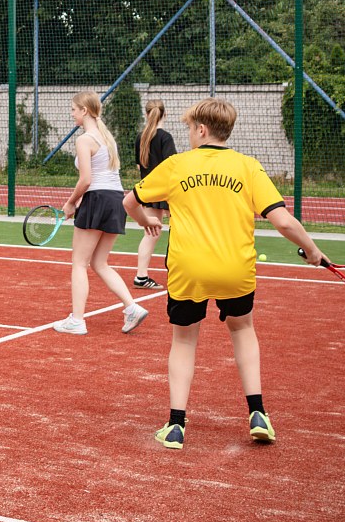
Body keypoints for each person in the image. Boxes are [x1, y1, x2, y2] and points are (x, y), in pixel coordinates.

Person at [126, 97, 326, 449]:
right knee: (243, 329)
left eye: (190, 129)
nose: (189, 134)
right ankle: (258, 414)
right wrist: (311, 249)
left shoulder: (177, 165)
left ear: (202, 130)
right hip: (236, 268)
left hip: (189, 269)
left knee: (184, 340)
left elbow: (130, 202)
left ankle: (175, 425)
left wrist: (147, 221)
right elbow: (282, 220)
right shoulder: (248, 167)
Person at [52, 91, 152, 335]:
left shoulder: (84, 140)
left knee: (79, 263)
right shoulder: (107, 138)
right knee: (99, 262)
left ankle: (77, 320)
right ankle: (132, 307)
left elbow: (86, 180)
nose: (71, 113)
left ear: (84, 110)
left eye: (73, 109)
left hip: (97, 199)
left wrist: (70, 203)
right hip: (115, 200)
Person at [132, 99, 177, 289]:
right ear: (165, 114)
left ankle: (141, 276)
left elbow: (139, 166)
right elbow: (172, 167)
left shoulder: (140, 137)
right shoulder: (165, 138)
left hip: (148, 190)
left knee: (150, 233)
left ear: (146, 114)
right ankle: (177, 271)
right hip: (166, 190)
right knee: (178, 230)